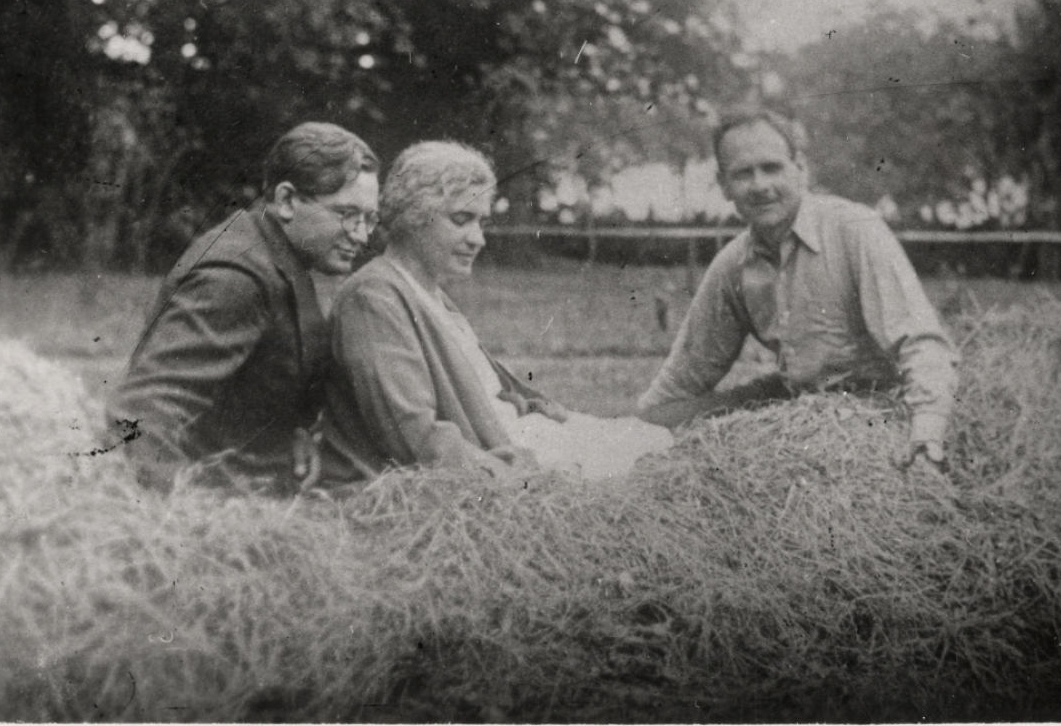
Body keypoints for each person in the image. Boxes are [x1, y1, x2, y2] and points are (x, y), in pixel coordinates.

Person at [320, 141, 673, 484]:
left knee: (652, 441)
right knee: (637, 459)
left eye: (481, 222)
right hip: (498, 460)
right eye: (461, 219)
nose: (478, 239)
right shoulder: (373, 299)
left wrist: (563, 422)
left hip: (514, 439)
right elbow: (417, 437)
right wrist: (524, 476)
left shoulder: (430, 294)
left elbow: (491, 398)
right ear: (414, 215)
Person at [637, 109, 959, 472]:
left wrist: (927, 438)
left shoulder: (854, 229)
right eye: (743, 173)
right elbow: (686, 374)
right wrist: (631, 427)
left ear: (800, 168)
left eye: (772, 168)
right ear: (723, 184)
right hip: (797, 406)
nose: (760, 186)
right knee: (666, 419)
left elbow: (920, 344)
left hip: (874, 406)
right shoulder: (732, 266)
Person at [109, 122, 381, 493]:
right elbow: (142, 411)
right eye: (347, 215)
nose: (361, 235)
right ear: (286, 201)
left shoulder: (279, 252)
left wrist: (292, 433)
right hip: (221, 510)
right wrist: (185, 519)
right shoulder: (236, 278)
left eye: (369, 218)